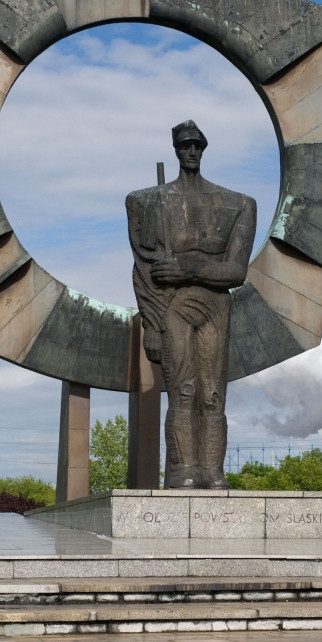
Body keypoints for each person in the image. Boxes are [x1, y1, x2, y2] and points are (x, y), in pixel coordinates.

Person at [126, 120, 256, 489]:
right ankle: (183, 470)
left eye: (197, 145)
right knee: (183, 391)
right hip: (174, 307)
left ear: (204, 148)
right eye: (185, 145)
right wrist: (152, 324)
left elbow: (236, 272)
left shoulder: (238, 204)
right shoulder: (146, 202)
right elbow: (144, 271)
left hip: (215, 307)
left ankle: (212, 470)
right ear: (177, 150)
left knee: (212, 395)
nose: (192, 151)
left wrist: (190, 267)